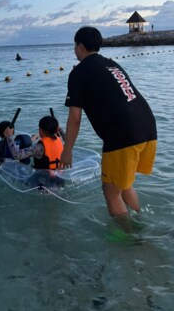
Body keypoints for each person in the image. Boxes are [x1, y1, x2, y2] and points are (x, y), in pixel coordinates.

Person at [60, 26, 157, 230]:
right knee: (123, 183)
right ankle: (140, 225)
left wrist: (67, 151)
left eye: (74, 46)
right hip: (147, 127)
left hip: (123, 134)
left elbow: (75, 118)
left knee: (110, 190)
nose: (74, 51)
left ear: (80, 46)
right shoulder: (112, 64)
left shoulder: (78, 73)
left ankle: (128, 240)